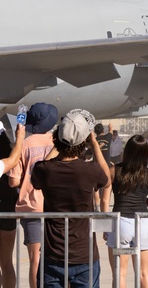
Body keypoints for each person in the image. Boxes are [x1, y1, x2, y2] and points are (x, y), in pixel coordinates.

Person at [31, 109, 110, 288]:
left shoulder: (44, 170)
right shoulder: (90, 171)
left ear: (57, 138)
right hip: (84, 254)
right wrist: (95, 143)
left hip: (53, 254)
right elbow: (106, 179)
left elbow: (43, 166)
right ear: (84, 141)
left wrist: (58, 144)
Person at [100, 135, 148, 288]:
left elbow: (104, 199)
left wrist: (105, 224)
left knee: (120, 272)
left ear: (126, 150)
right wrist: (143, 200)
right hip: (142, 222)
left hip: (121, 221)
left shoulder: (115, 170)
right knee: (143, 273)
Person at [8, 102, 58, 288]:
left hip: (31, 208)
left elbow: (13, 181)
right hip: (56, 206)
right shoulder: (57, 143)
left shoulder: (24, 145)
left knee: (35, 260)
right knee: (60, 259)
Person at [0, 122, 25, 288]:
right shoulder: (6, 148)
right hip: (6, 206)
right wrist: (20, 138)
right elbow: (13, 159)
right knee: (7, 262)